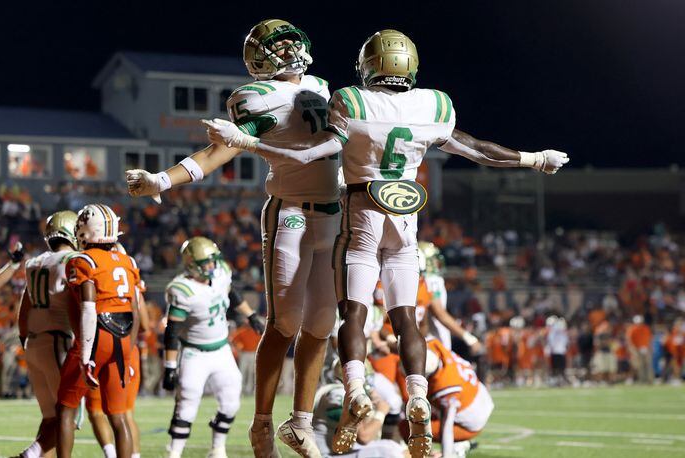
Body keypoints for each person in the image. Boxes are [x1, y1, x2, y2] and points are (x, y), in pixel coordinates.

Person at [205, 29, 567, 456]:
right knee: (406, 320)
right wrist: (536, 158)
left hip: (362, 213)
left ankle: (355, 386)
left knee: (353, 313)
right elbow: (479, 151)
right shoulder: (432, 104)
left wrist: (247, 141)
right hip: (405, 221)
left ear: (369, 64)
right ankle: (417, 395)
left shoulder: (351, 102)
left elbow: (308, 155)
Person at [127, 19, 341, 457]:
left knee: (321, 325)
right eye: (274, 48)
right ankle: (262, 424)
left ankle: (299, 422)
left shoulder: (321, 84)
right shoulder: (253, 97)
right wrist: (161, 182)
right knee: (284, 323)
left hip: (334, 212)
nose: (283, 54)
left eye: (286, 45)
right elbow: (219, 150)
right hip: (291, 213)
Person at [163, 237, 264, 458]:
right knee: (187, 404)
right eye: (205, 263)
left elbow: (231, 292)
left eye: (213, 261)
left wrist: (251, 315)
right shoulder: (183, 290)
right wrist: (170, 366)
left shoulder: (220, 273)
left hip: (221, 350)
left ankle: (218, 447)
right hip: (194, 353)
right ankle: (174, 452)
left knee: (231, 401)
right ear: (191, 264)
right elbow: (172, 331)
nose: (212, 266)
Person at [56, 204, 141, 458]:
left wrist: (85, 354)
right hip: (124, 337)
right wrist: (128, 351)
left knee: (65, 408)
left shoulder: (82, 261)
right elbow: (134, 311)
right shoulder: (128, 261)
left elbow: (89, 309)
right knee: (118, 416)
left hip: (96, 337)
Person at [16, 211, 79, 458]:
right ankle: (31, 454)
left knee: (51, 417)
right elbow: (79, 304)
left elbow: (24, 308)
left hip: (34, 341)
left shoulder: (34, 263)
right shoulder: (73, 259)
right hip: (58, 340)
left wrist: (25, 340)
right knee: (68, 416)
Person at [84, 242, 146, 458]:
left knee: (96, 411)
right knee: (124, 414)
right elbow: (143, 323)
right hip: (128, 349)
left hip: (100, 345)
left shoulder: (94, 269)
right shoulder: (129, 276)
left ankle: (112, 455)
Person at [423, 337, 493, 458]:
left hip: (470, 424)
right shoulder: (437, 348)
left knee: (408, 426)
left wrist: (447, 455)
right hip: (481, 398)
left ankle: (456, 450)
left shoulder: (446, 388)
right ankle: (458, 445)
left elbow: (446, 428)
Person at [418, 242, 481, 353]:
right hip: (433, 344)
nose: (437, 262)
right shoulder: (431, 281)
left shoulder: (421, 281)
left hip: (426, 341)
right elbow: (440, 314)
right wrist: (468, 338)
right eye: (433, 259)